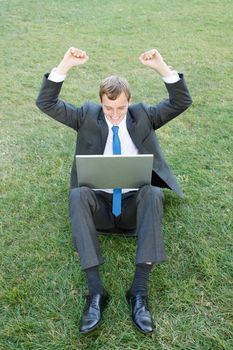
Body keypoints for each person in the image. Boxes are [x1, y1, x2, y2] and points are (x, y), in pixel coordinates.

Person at [36, 47, 192, 334]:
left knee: (153, 191)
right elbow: (46, 103)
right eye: (109, 108)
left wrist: (161, 67)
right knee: (77, 194)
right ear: (100, 103)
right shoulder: (86, 116)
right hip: (100, 210)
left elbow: (181, 100)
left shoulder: (143, 115)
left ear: (129, 102)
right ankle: (96, 292)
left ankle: (139, 292)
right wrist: (65, 65)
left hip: (135, 209)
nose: (115, 114)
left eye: (121, 107)